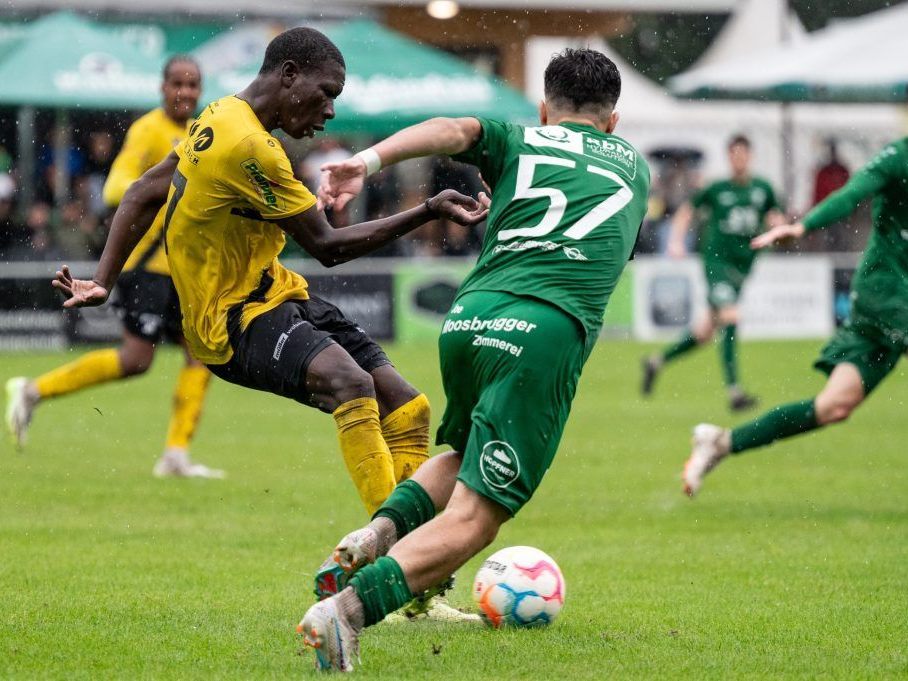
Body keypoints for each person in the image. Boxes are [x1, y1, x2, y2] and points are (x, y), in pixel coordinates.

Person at [47, 27, 486, 605]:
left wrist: (104, 280)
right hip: (229, 321)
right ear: (289, 75)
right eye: (326, 93)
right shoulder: (250, 146)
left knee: (409, 407)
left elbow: (144, 191)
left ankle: (419, 592)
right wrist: (426, 211)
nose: (330, 111)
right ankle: (399, 570)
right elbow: (328, 246)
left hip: (276, 294)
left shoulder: (220, 115)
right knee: (351, 385)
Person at [301, 47, 650, 671]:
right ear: (614, 121)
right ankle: (347, 612)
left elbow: (452, 129)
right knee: (478, 518)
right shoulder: (633, 166)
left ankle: (377, 533)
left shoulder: (520, 138)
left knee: (463, 453)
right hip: (542, 329)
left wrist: (365, 162)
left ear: (544, 109)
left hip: (468, 316)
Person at [4, 56, 223, 478]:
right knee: (136, 360)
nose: (185, 92)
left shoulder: (202, 132)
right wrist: (164, 188)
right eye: (178, 84)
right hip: (147, 267)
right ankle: (33, 390)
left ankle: (176, 454)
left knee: (201, 355)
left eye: (193, 84)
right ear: (162, 88)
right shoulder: (148, 130)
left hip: (186, 269)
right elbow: (116, 187)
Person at [682, 137, 908, 497]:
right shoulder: (898, 157)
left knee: (834, 406)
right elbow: (851, 194)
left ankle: (721, 442)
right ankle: (728, 386)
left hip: (894, 306)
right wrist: (803, 226)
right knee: (721, 322)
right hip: (886, 295)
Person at [641, 135, 785, 411]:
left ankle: (656, 362)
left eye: (742, 154)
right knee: (731, 316)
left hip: (743, 266)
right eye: (734, 154)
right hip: (717, 263)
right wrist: (676, 241)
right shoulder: (717, 188)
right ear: (729, 157)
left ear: (750, 156)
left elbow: (775, 217)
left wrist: (778, 227)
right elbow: (687, 211)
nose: (738, 159)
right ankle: (735, 393)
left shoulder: (763, 188)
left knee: (705, 331)